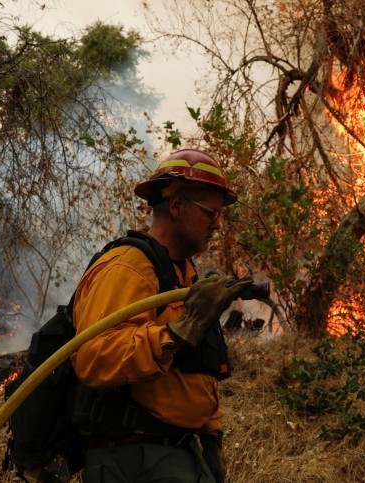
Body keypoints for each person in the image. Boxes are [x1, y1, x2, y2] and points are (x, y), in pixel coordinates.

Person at [71, 148, 252, 482]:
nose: (217, 223)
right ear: (177, 205)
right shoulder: (128, 265)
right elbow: (95, 357)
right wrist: (181, 330)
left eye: (219, 214)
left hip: (179, 453)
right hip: (137, 458)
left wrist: (211, 440)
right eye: (210, 213)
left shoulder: (183, 273)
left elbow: (192, 377)